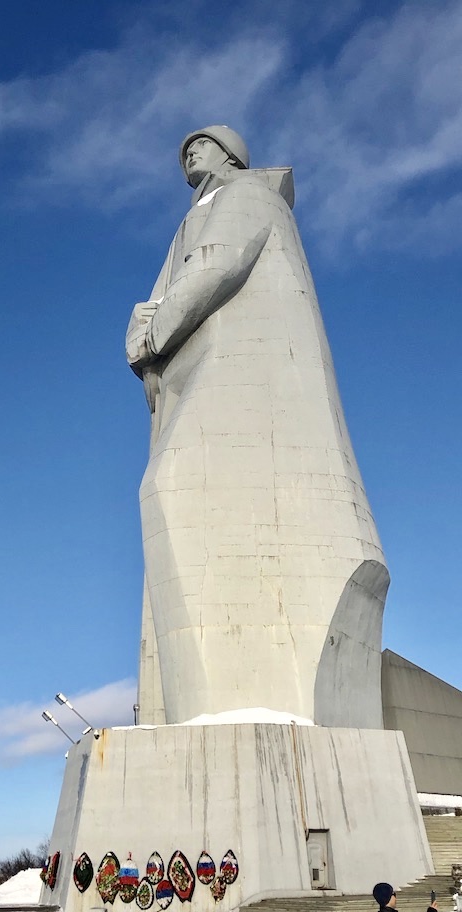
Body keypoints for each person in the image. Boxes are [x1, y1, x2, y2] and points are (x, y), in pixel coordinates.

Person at [125, 125, 388, 728]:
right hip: (199, 373)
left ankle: (237, 703)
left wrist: (152, 334)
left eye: (202, 143)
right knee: (170, 494)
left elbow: (217, 267)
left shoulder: (246, 197)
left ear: (231, 155)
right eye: (186, 146)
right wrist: (143, 332)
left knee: (174, 484)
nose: (189, 151)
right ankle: (190, 710)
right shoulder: (193, 216)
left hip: (243, 377)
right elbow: (165, 288)